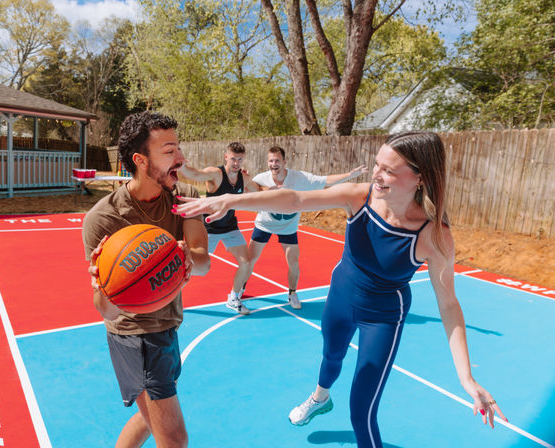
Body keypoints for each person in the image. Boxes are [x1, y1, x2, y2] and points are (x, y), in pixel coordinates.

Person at [173, 131, 507, 447]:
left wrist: (466, 377)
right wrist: (233, 199)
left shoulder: (433, 235)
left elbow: (449, 305)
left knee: (362, 412)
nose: (376, 174)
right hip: (341, 295)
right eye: (377, 164)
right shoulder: (360, 196)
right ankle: (320, 398)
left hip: (383, 315)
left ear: (420, 177)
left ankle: (334, 404)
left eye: (388, 170)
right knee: (331, 357)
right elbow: (296, 198)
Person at [83, 111, 211, 448]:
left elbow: (203, 263)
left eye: (178, 148)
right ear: (141, 160)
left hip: (168, 325)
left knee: (147, 417)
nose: (181, 158)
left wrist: (182, 255)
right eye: (169, 151)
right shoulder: (104, 217)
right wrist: (103, 286)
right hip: (133, 336)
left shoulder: (185, 198)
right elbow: (106, 311)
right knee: (174, 439)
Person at [246, 146, 367, 309]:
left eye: (277, 160)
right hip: (265, 224)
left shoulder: (300, 178)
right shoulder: (261, 178)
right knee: (250, 260)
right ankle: (240, 288)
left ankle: (292, 293)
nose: (274, 164)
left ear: (284, 162)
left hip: (288, 227)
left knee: (293, 262)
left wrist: (350, 175)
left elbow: (325, 180)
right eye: (271, 161)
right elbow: (247, 191)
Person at [179, 142, 260, 315]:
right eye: (233, 159)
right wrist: (183, 166)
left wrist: (276, 187)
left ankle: (233, 298)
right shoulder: (216, 174)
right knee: (193, 266)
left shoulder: (243, 178)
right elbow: (196, 174)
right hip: (209, 227)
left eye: (240, 159)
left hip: (230, 227)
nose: (236, 163)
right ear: (226, 157)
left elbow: (259, 191)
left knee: (246, 263)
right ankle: (172, 294)